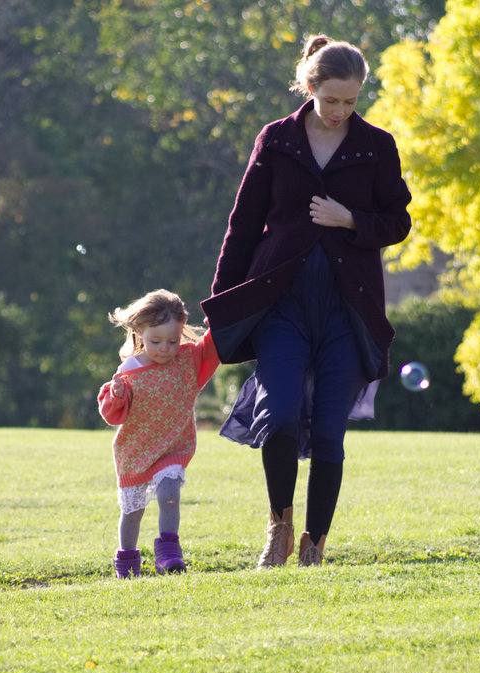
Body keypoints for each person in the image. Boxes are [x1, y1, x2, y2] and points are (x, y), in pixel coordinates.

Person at [201, 35, 411, 569]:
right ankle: (280, 527)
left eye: (352, 101)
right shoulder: (276, 141)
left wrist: (352, 221)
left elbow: (399, 222)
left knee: (330, 434)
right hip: (282, 305)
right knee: (282, 414)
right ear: (310, 87)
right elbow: (242, 226)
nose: (341, 111)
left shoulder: (377, 146)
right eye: (332, 99)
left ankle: (315, 545)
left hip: (348, 308)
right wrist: (222, 302)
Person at [97, 289, 219, 578]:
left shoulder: (188, 362)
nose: (165, 348)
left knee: (169, 492)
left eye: (173, 341)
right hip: (136, 451)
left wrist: (220, 316)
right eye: (156, 341)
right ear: (139, 332)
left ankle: (168, 552)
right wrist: (116, 395)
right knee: (132, 513)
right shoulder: (128, 371)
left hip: (174, 447)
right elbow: (113, 415)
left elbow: (214, 347)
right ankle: (127, 563)